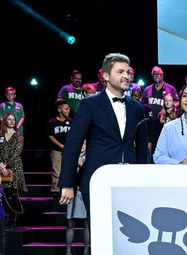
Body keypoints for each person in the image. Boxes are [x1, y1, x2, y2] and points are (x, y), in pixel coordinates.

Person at [59, 53, 150, 207]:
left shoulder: (137, 108)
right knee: (98, 231)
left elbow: (142, 148)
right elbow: (73, 145)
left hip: (130, 183)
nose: (126, 76)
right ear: (106, 76)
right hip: (97, 181)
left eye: (128, 72)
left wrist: (143, 181)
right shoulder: (90, 104)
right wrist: (68, 183)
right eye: (120, 72)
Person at [0, 112, 27, 228]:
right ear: (5, 121)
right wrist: (0, 165)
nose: (12, 121)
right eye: (9, 119)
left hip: (14, 167)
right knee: (3, 194)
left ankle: (14, 218)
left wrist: (6, 164)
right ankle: (4, 217)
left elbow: (16, 152)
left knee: (14, 194)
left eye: (13, 119)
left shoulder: (19, 136)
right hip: (1, 168)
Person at [62, 141, 89, 255]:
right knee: (70, 222)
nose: (82, 146)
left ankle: (86, 253)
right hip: (72, 190)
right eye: (81, 144)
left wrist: (83, 165)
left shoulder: (90, 157)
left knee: (86, 223)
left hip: (85, 190)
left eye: (84, 144)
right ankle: (68, 252)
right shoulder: (71, 156)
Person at [48, 100, 72, 193]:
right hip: (57, 150)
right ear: (59, 110)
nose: (68, 110)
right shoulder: (52, 122)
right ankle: (55, 189)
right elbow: (50, 136)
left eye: (68, 109)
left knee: (69, 170)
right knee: (57, 170)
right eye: (66, 109)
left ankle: (67, 188)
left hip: (69, 150)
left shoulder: (71, 121)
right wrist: (61, 145)